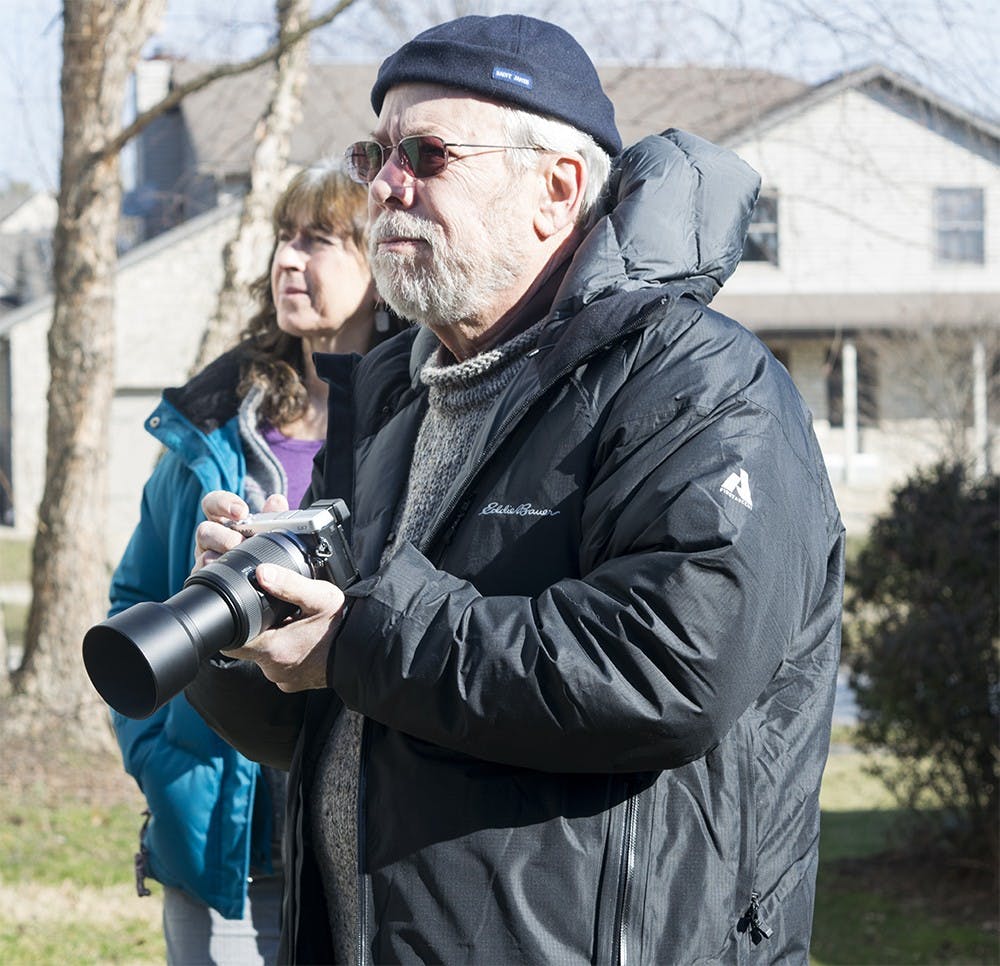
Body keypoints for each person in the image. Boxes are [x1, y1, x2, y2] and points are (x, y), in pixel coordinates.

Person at [187, 14, 845, 965]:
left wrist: (357, 639)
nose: (384, 186)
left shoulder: (696, 384)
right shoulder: (392, 394)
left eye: (426, 153)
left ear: (557, 189)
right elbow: (348, 709)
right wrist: (250, 630)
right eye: (373, 152)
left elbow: (668, 668)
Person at [108, 164, 398, 965]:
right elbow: (136, 594)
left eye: (319, 240)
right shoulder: (217, 428)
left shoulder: (420, 418)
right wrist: (161, 761)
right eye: (282, 236)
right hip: (223, 838)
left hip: (368, 839)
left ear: (381, 262)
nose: (288, 260)